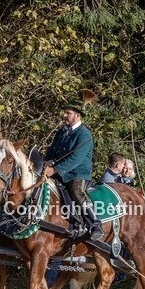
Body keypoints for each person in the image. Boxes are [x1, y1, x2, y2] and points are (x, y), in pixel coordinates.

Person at [44, 91, 103, 240]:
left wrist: (55, 169)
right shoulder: (61, 132)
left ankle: (95, 223)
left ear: (77, 115)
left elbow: (76, 158)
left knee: (77, 191)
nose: (64, 116)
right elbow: (51, 152)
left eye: (68, 113)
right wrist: (43, 164)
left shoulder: (84, 134)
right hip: (60, 171)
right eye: (65, 113)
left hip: (78, 173)